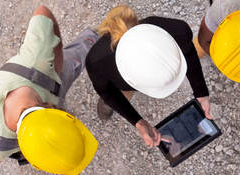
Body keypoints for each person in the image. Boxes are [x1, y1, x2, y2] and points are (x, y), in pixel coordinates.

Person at [0, 5, 100, 175]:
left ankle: (102, 35)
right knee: (77, 59)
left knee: (76, 57)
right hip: (48, 81)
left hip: (49, 76)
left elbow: (42, 12)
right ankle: (99, 37)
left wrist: (57, 65)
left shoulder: (38, 59)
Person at [85, 5, 212, 148]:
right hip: (118, 80)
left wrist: (201, 92)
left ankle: (118, 98)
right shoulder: (97, 61)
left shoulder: (179, 32)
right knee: (117, 94)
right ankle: (114, 101)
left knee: (117, 91)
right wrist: (136, 121)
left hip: (121, 78)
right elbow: (106, 91)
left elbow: (188, 52)